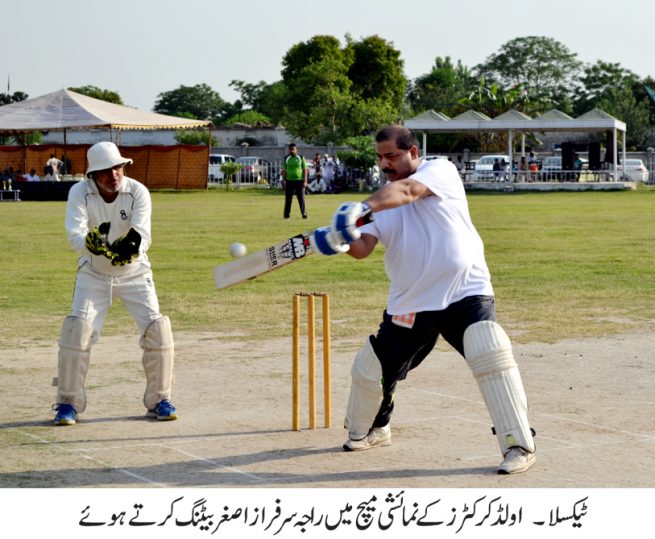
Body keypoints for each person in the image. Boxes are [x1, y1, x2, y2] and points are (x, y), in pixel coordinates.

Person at [309, 125, 536, 474]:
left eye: (392, 156)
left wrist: (361, 207)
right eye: (381, 157)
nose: (385, 164)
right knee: (374, 369)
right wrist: (342, 239)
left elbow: (410, 191)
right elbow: (363, 249)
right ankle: (375, 429)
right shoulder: (379, 203)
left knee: (488, 349)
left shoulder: (439, 170)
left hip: (465, 289)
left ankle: (518, 444)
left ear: (413, 152)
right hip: (411, 301)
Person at [52, 141, 177, 426]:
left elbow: (143, 234)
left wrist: (131, 247)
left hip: (135, 272)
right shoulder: (79, 192)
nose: (114, 174)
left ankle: (160, 400)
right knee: (77, 333)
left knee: (157, 331)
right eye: (106, 170)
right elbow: (75, 234)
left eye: (118, 167)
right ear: (92, 174)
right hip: (93, 274)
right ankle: (67, 404)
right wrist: (90, 243)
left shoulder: (137, 192)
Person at [281, 143, 308, 219]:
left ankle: (304, 214)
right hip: (289, 181)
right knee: (288, 199)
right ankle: (286, 215)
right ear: (289, 150)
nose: (292, 151)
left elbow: (305, 170)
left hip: (299, 181)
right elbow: (284, 171)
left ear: (296, 150)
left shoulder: (301, 157)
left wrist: (305, 181)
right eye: (290, 149)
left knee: (301, 198)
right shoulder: (286, 158)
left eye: (293, 149)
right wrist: (283, 181)